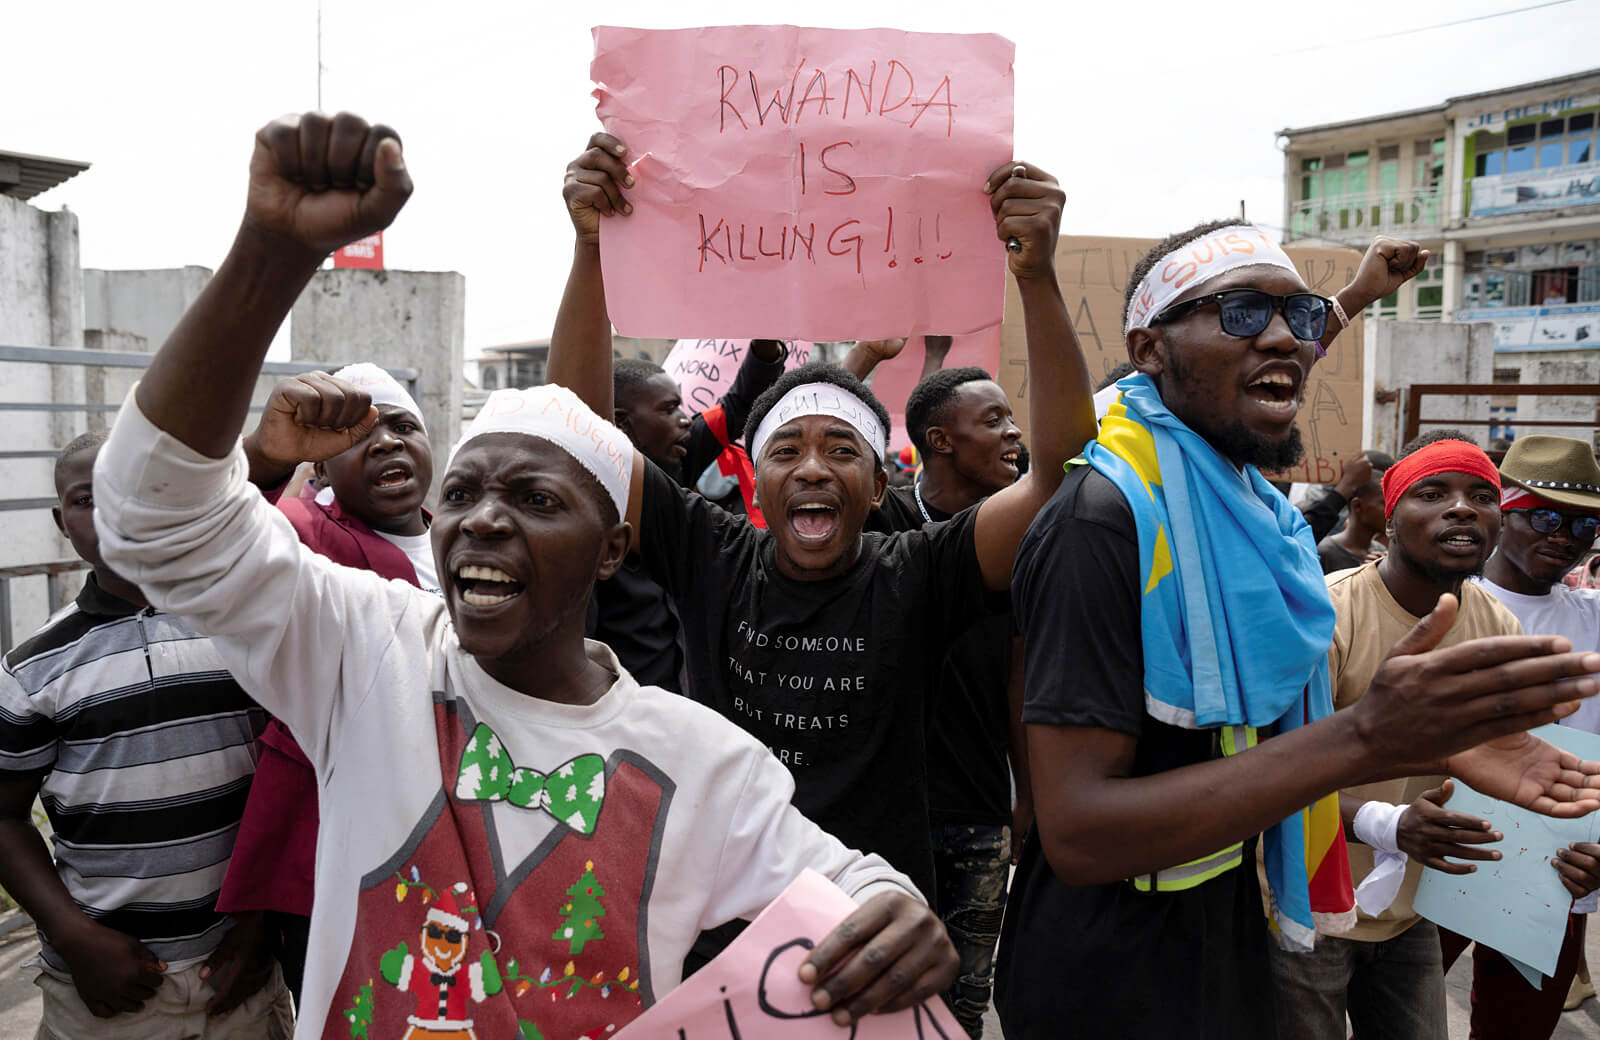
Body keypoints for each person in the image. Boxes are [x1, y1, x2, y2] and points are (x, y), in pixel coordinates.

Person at [92, 111, 957, 1040]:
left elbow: (850, 884)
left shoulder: (704, 762)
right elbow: (157, 520)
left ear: (613, 548)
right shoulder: (367, 654)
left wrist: (896, 911)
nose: (487, 517)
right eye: (461, 493)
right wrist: (268, 256)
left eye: (537, 500)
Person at [993, 218, 1600, 1040]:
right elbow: (1081, 834)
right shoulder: (1105, 521)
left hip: (1226, 932)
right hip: (1111, 980)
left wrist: (1432, 745)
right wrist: (1363, 740)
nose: (1284, 338)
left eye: (1300, 318)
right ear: (1150, 349)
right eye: (1240, 311)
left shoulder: (1247, 518)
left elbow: (1240, 755)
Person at [550, 133, 1097, 910]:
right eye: (787, 451)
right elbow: (581, 440)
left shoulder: (917, 571)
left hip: (873, 920)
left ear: (879, 487)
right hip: (722, 908)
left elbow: (1059, 476)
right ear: (759, 485)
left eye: (841, 450)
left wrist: (1036, 277)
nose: (812, 467)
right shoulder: (712, 552)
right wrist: (591, 249)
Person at [1269, 434, 1600, 1039]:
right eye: (1434, 492)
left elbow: (1512, 770)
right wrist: (1388, 824)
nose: (1463, 508)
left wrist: (1571, 843)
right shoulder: (1326, 616)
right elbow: (1270, 776)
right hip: (1304, 907)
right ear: (1388, 522)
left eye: (1482, 496)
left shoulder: (1493, 623)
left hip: (1410, 913)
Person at [0, 432, 292, 1036]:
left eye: (132, 489)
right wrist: (76, 937)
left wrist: (261, 922)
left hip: (237, 971)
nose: (114, 510)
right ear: (62, 521)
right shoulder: (32, 669)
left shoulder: (240, 628)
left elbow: (288, 781)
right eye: (88, 499)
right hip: (103, 985)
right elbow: (4, 817)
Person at [218, 363, 437, 1007]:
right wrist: (261, 460)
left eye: (403, 426)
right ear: (320, 470)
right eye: (360, 434)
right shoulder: (310, 534)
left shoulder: (468, 533)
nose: (388, 442)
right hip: (338, 862)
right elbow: (228, 534)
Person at [865, 365, 1030, 1037]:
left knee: (964, 1001)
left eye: (1011, 417)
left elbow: (1020, 672)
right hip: (882, 811)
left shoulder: (1025, 535)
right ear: (939, 440)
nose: (1014, 432)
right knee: (881, 999)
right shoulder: (881, 517)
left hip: (979, 813)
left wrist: (1031, 798)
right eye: (993, 421)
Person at [1469, 434, 1600, 1031]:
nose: (1564, 537)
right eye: (1545, 515)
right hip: (1439, 849)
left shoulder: (1594, 618)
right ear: (1502, 512)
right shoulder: (1442, 604)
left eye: (1583, 526)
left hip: (1554, 865)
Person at [1316, 450, 1393, 573]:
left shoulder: (1379, 549)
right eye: (1384, 504)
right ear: (1357, 506)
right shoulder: (1325, 552)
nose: (1391, 511)